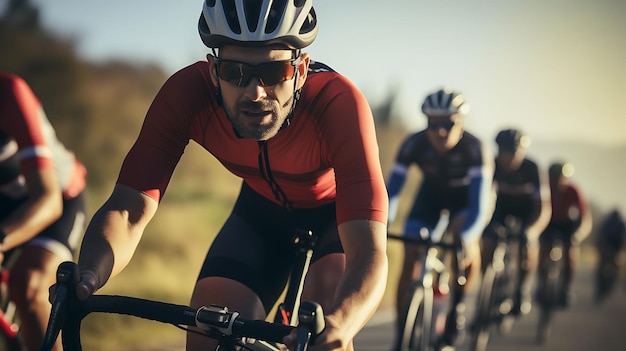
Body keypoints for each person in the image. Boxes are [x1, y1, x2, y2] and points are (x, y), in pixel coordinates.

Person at [69, 1, 388, 350]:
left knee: (327, 305)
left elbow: (368, 251)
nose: (254, 92)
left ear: (300, 70)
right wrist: (89, 275)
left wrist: (344, 322)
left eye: (274, 72)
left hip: (334, 216)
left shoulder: (338, 104)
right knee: (210, 321)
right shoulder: (186, 96)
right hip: (260, 213)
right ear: (212, 71)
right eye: (235, 72)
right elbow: (129, 209)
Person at [387, 88, 494, 349]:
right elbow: (392, 192)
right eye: (433, 124)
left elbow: (479, 207)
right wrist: (383, 223)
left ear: (461, 123)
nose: (440, 131)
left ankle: (456, 307)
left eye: (448, 124)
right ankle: (403, 328)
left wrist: (468, 238)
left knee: (464, 239)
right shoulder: (414, 143)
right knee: (410, 250)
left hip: (466, 204)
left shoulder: (475, 148)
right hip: (430, 201)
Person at [0, 72, 87, 351]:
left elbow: (49, 202)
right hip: (6, 204)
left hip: (56, 197)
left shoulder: (8, 93)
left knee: (29, 284)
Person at [479, 128, 551, 316]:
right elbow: (482, 199)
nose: (509, 157)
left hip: (527, 211)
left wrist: (533, 231)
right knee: (487, 241)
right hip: (500, 208)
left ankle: (522, 289)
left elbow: (544, 209)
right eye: (504, 151)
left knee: (528, 244)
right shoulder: (492, 165)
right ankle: (484, 284)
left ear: (523, 152)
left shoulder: (532, 169)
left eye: (514, 152)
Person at [537, 161, 592, 307]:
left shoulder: (573, 191)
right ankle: (541, 282)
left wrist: (579, 234)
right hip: (548, 223)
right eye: (554, 178)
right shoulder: (545, 188)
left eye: (560, 178)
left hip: (566, 225)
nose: (557, 182)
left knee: (571, 253)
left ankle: (565, 287)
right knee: (543, 249)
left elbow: (585, 218)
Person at [594, 208, 625, 303]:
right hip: (606, 243)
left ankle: (612, 281)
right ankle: (600, 285)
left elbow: (623, 238)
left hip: (616, 245)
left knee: (615, 264)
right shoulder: (607, 222)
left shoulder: (621, 224)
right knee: (602, 264)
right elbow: (601, 236)